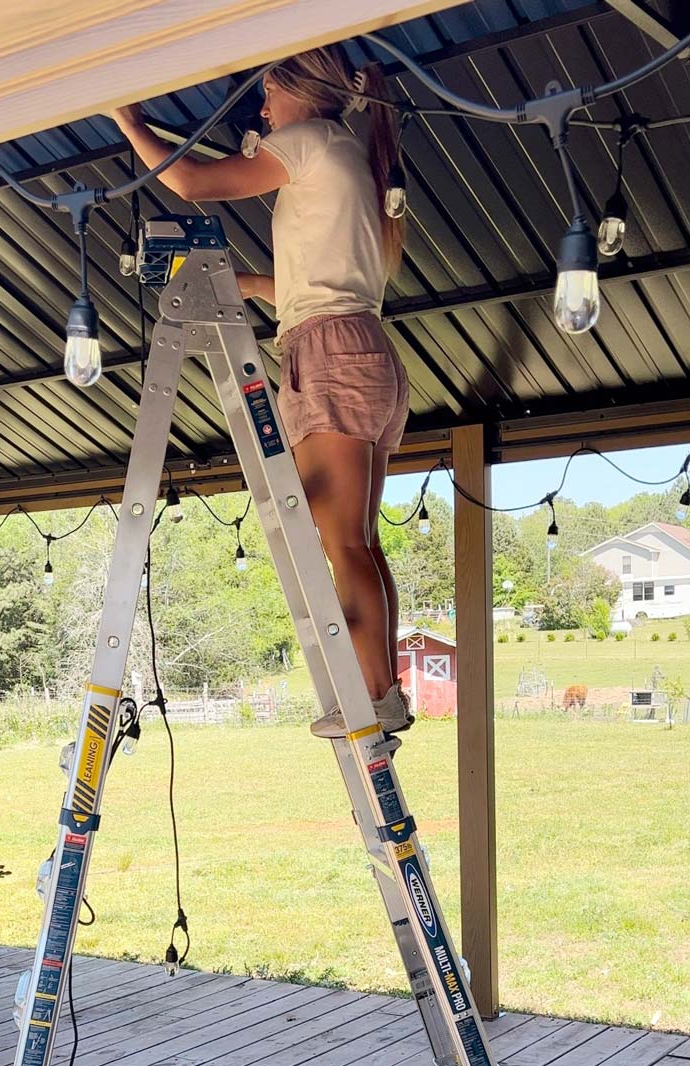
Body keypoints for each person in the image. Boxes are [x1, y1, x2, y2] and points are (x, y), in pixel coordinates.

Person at [113, 45, 413, 737]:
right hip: (354, 346)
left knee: (341, 542)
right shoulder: (346, 155)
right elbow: (313, 290)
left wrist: (128, 119)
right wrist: (242, 284)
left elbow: (191, 182)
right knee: (355, 540)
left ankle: (372, 696)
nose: (261, 109)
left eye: (269, 94)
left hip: (331, 355)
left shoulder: (309, 141)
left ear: (300, 93)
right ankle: (380, 692)